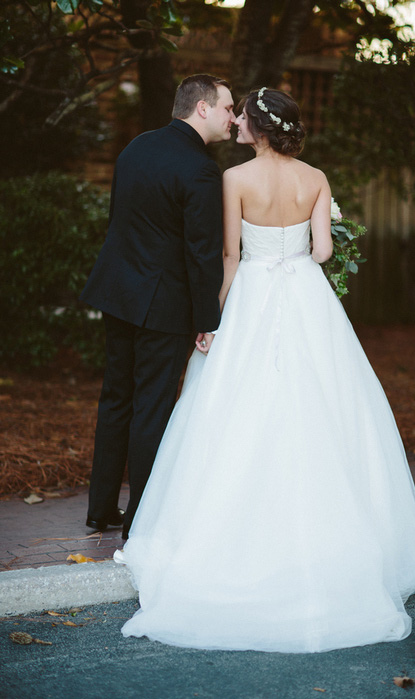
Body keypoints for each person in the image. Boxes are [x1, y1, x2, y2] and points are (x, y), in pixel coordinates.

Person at [113, 88, 415, 653]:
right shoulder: (315, 177)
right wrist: (298, 251)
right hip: (306, 294)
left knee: (235, 408)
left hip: (253, 292)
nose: (235, 120)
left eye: (243, 116)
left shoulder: (234, 181)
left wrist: (209, 317)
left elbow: (231, 256)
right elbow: (323, 253)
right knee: (327, 405)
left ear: (257, 129)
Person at [81, 74, 235, 539]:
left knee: (116, 400)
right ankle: (140, 520)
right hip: (163, 305)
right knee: (151, 408)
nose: (233, 117)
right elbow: (202, 252)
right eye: (228, 107)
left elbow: (119, 221)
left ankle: (101, 508)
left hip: (117, 292)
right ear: (202, 108)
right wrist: (209, 319)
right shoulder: (202, 169)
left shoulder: (136, 147)